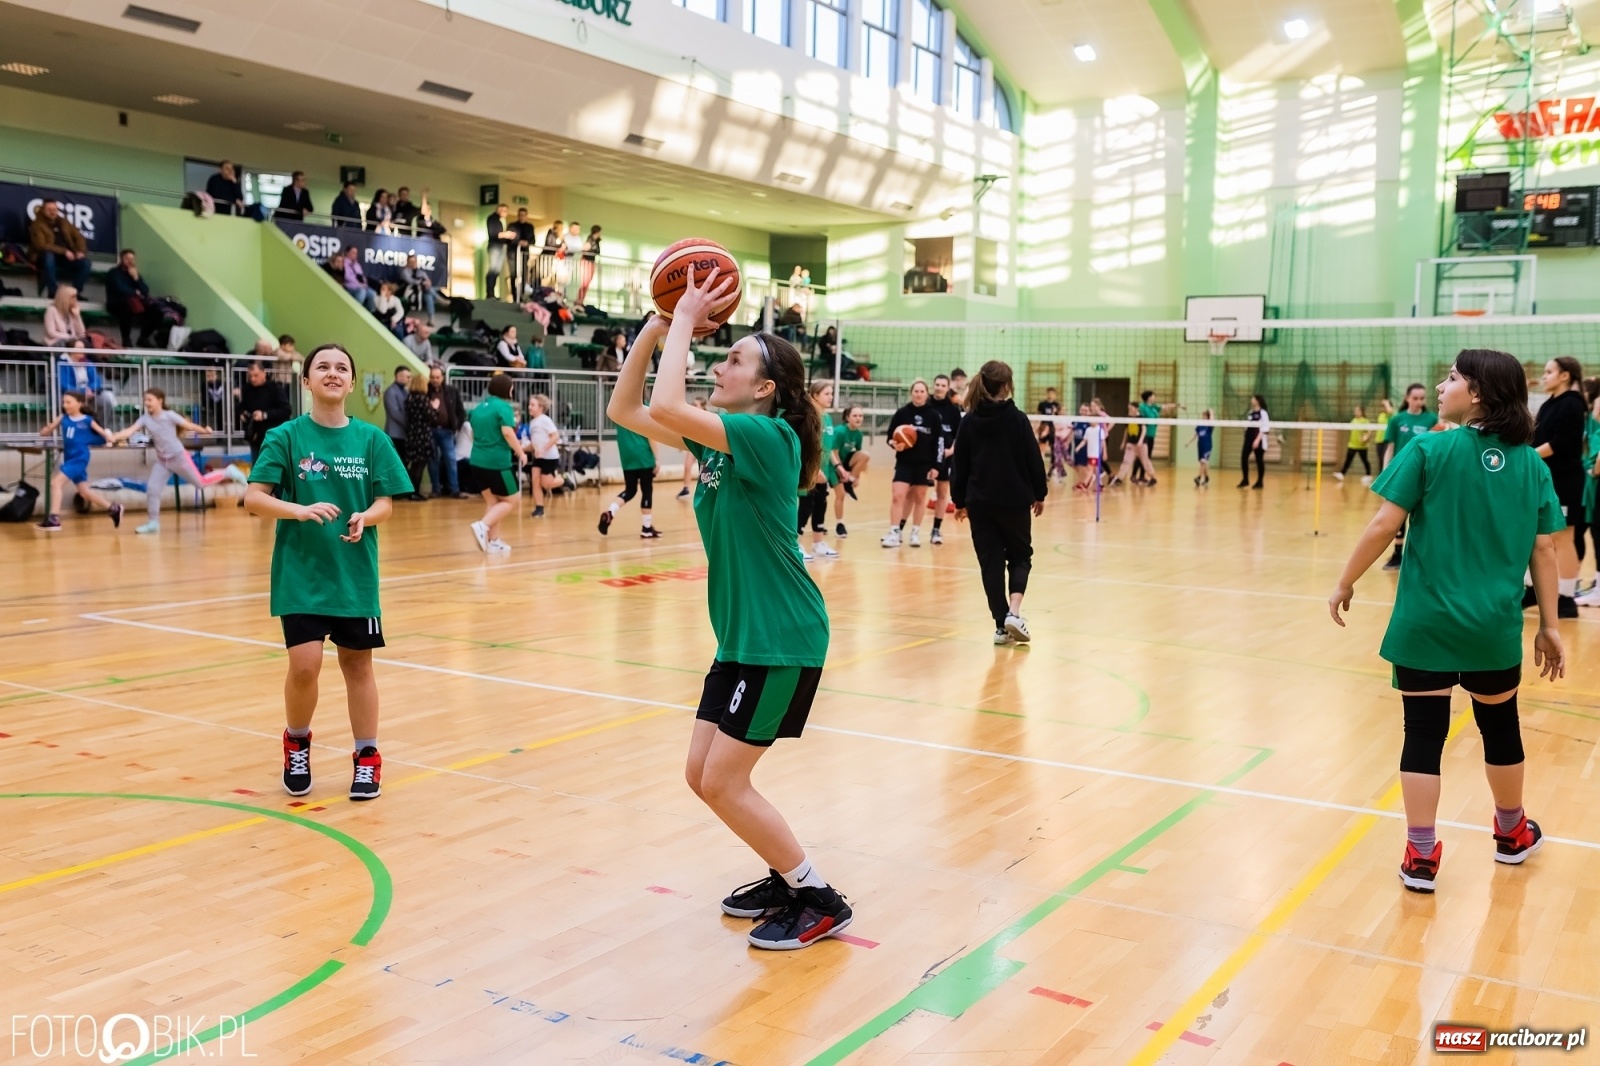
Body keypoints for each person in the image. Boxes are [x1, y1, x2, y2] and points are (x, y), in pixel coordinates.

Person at [606, 271, 851, 952]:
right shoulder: (721, 441)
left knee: (721, 778)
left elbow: (667, 399)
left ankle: (817, 895)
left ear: (765, 388)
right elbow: (628, 409)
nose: (722, 365)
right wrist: (657, 328)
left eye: (735, 359)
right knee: (701, 776)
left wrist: (684, 317)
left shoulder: (769, 441)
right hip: (741, 639)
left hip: (782, 638)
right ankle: (783, 872)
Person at [1329, 349, 1562, 894]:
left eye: (1452, 377)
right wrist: (1549, 625)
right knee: (1501, 730)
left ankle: (1422, 853)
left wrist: (1346, 581)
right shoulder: (1532, 464)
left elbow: (1385, 523)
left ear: (1477, 392)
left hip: (1426, 627)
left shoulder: (1428, 448)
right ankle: (1511, 833)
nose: (1440, 385)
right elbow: (1544, 549)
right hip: (1493, 631)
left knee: (1423, 736)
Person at [243, 343, 411, 801]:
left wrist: (365, 517)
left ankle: (367, 757)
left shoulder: (373, 439)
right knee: (305, 666)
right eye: (323, 367)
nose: (333, 373)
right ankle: (297, 740)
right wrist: (298, 510)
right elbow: (254, 498)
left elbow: (386, 503)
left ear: (353, 383)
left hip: (354, 575)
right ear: (307, 381)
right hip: (301, 573)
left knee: (358, 664)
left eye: (342, 367)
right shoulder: (286, 436)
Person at [952, 361, 1047, 645]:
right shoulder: (1017, 419)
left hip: (980, 503)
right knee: (1020, 556)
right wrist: (1040, 493)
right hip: (1014, 501)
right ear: (1007, 385)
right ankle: (1013, 614)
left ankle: (1001, 626)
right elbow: (1033, 458)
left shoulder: (969, 421)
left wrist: (959, 501)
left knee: (990, 564)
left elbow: (960, 464)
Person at [103, 388, 246, 534]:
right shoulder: (145, 418)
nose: (146, 403)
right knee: (152, 490)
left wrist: (205, 431)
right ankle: (153, 523)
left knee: (200, 483)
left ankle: (228, 471)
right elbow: (130, 430)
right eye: (145, 400)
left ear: (160, 401)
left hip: (179, 458)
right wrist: (115, 437)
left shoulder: (169, 415)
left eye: (150, 400)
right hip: (162, 462)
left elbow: (188, 426)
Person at [1525, 357, 1586, 618]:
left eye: (1549, 371)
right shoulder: (1551, 403)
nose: (1545, 375)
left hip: (1565, 481)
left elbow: (1560, 443)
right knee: (1537, 535)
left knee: (1564, 537)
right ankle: (1531, 590)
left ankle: (1566, 597)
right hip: (1546, 479)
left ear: (1565, 376)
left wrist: (1526, 457)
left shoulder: (1572, 403)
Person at [36, 391, 121, 531]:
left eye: (69, 402)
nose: (65, 405)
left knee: (55, 483)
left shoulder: (87, 420)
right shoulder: (63, 418)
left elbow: (103, 433)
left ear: (79, 403)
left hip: (80, 458)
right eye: (64, 402)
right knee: (84, 493)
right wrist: (45, 430)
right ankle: (113, 508)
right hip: (69, 457)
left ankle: (54, 519)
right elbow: (46, 430)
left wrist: (110, 437)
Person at [1380, 384, 1439, 570]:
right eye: (1415, 398)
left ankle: (1422, 558)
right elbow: (1389, 448)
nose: (1419, 402)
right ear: (1407, 398)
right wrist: (1385, 473)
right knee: (1397, 517)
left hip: (1425, 474)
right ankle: (1397, 555)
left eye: (1422, 398)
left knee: (1423, 517)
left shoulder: (1432, 419)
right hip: (1402, 474)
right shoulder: (1397, 420)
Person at [467, 373, 525, 554]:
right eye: (511, 386)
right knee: (512, 500)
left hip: (476, 461)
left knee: (493, 502)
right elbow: (508, 432)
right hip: (497, 463)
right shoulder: (504, 408)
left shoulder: (477, 409)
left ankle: (493, 541)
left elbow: (471, 433)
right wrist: (520, 452)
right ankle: (482, 525)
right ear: (506, 388)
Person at [882, 379, 938, 548]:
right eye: (916, 391)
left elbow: (938, 442)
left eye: (922, 391)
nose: (919, 394)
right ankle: (894, 532)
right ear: (911, 393)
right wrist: (895, 444)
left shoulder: (933, 415)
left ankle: (915, 532)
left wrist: (936, 466)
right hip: (904, 462)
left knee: (920, 498)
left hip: (924, 464)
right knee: (898, 496)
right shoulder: (902, 413)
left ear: (926, 394)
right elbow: (890, 438)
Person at [602, 412, 662, 539]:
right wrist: (657, 458)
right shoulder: (643, 408)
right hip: (643, 455)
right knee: (646, 490)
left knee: (630, 490)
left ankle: (611, 511)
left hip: (627, 457)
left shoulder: (620, 407)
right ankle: (646, 527)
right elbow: (651, 435)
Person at [798, 382, 838, 561]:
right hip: (808, 469)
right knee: (805, 505)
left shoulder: (827, 418)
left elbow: (827, 448)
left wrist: (838, 468)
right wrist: (813, 469)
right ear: (814, 395)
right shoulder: (808, 416)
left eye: (831, 393)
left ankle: (818, 542)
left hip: (824, 471)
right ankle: (795, 543)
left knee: (821, 503)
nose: (830, 397)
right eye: (827, 393)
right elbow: (805, 446)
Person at [926, 374, 962, 544]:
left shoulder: (954, 410)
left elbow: (958, 435)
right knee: (915, 492)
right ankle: (905, 528)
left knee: (942, 491)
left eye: (943, 385)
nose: (939, 387)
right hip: (925, 456)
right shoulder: (926, 405)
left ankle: (936, 529)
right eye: (937, 384)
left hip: (946, 455)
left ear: (948, 388)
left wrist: (951, 450)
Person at [425, 364, 470, 500]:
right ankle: (436, 489)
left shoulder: (451, 391)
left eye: (437, 377)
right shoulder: (425, 391)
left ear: (443, 377)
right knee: (432, 461)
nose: (435, 380)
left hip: (447, 431)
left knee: (451, 460)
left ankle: (454, 489)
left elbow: (460, 411)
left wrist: (457, 426)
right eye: (432, 377)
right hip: (429, 431)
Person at [30, 200, 91, 296]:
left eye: (54, 209)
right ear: (42, 210)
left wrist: (80, 251)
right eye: (49, 209)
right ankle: (53, 292)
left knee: (85, 263)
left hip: (65, 258)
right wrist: (64, 251)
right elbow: (41, 245)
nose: (52, 212)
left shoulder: (63, 221)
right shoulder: (37, 225)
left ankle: (74, 294)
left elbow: (79, 237)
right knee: (48, 255)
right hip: (44, 259)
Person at [237, 360, 292, 464]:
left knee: (273, 465)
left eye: (256, 375)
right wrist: (242, 412)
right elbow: (242, 405)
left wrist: (265, 415)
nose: (253, 379)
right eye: (250, 376)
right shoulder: (246, 389)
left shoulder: (275, 388)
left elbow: (286, 410)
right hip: (255, 435)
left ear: (264, 373)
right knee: (257, 466)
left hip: (274, 434)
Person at [519, 393, 563, 517]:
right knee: (535, 481)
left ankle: (564, 480)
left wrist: (543, 449)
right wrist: (523, 449)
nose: (529, 407)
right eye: (529, 404)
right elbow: (535, 442)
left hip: (549, 457)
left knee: (546, 484)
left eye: (533, 405)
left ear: (541, 407)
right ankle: (539, 508)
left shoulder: (545, 420)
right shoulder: (532, 423)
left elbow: (555, 436)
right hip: (538, 457)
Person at [398, 368, 435, 502]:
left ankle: (410, 492)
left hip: (411, 435)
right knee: (419, 466)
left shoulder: (409, 399)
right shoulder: (423, 399)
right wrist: (434, 407)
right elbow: (431, 417)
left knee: (413, 465)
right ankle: (415, 492)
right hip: (422, 436)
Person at [831, 404, 867, 536]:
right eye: (855, 416)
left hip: (846, 464)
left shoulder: (858, 434)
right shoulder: (840, 431)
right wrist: (840, 469)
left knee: (865, 455)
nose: (858, 418)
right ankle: (832, 523)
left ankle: (840, 524)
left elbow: (858, 455)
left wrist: (856, 477)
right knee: (837, 495)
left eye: (861, 416)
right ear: (847, 417)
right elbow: (833, 452)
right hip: (833, 463)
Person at [105, 249, 152, 347]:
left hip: (135, 303)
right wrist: (135, 292)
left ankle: (143, 338)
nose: (130, 261)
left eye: (132, 259)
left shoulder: (135, 274)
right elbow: (120, 288)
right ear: (121, 259)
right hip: (116, 303)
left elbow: (145, 291)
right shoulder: (114, 273)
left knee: (157, 311)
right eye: (127, 258)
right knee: (126, 308)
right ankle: (126, 339)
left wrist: (136, 278)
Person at [1107, 404, 1146, 488]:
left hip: (1140, 444)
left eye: (1131, 408)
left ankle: (1151, 477)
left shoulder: (1141, 418)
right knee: (1126, 461)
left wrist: (1140, 441)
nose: (1130, 410)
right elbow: (1126, 431)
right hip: (1130, 443)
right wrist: (1123, 442)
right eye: (1129, 408)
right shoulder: (1128, 418)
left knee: (1145, 462)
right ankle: (1119, 479)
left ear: (1136, 409)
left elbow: (1144, 429)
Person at [678, 396, 709, 500]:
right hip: (694, 445)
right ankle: (686, 489)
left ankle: (707, 490)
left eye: (696, 405)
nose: (693, 406)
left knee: (705, 470)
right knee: (687, 466)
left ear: (703, 407)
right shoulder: (691, 418)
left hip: (705, 447)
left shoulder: (709, 418)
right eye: (693, 404)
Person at [1238, 394, 1270, 490]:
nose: (1252, 400)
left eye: (1253, 398)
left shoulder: (1263, 413)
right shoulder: (1250, 412)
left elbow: (1265, 428)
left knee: (1259, 460)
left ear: (1258, 400)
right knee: (1243, 458)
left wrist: (1257, 440)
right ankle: (1245, 480)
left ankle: (1260, 482)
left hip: (1258, 439)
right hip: (1248, 438)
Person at [1336, 405, 1373, 482]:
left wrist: (1365, 438)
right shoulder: (1353, 420)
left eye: (1357, 410)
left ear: (1361, 412)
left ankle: (1368, 475)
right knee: (1348, 460)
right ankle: (1341, 474)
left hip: (1361, 446)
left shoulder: (1365, 421)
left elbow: (1369, 431)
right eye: (1355, 411)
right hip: (1352, 444)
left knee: (1365, 460)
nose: (1356, 412)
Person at [43, 285, 88, 349]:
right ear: (65, 298)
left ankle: (92, 359)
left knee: (85, 342)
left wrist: (77, 316)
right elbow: (51, 333)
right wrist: (69, 337)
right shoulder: (52, 310)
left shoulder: (72, 310)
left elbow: (82, 333)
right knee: (65, 344)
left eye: (76, 297)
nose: (76, 299)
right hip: (56, 342)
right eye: (73, 297)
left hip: (72, 341)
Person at [486, 204, 515, 300]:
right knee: (493, 269)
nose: (505, 213)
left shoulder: (500, 221)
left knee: (497, 271)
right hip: (495, 247)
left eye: (506, 211)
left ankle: (492, 294)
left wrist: (508, 237)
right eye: (504, 210)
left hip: (500, 246)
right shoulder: (492, 219)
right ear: (499, 210)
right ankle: (490, 293)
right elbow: (493, 234)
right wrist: (505, 234)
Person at [339, 246, 378, 312]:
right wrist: (359, 284)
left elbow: (362, 276)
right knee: (362, 291)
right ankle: (356, 312)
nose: (355, 254)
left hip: (361, 286)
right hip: (350, 286)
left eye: (356, 253)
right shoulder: (344, 263)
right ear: (347, 253)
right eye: (353, 252)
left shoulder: (357, 265)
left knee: (373, 293)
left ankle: (370, 314)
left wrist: (364, 281)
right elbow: (347, 277)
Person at [383, 366, 410, 458]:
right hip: (394, 433)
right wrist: (409, 424)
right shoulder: (391, 391)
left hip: (403, 434)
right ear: (400, 376)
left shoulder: (405, 391)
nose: (409, 379)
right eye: (407, 377)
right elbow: (395, 413)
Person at [400, 254, 436, 323]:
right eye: (411, 262)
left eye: (414, 262)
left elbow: (427, 280)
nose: (413, 264)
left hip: (422, 292)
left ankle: (431, 319)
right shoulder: (405, 271)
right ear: (408, 262)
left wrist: (427, 283)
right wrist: (422, 282)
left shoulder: (420, 271)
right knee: (429, 294)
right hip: (412, 293)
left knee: (428, 294)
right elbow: (411, 281)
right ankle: (438, 298)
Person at [512, 208, 536, 301]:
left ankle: (522, 295)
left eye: (524, 215)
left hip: (525, 254)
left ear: (526, 216)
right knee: (513, 275)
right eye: (520, 215)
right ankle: (515, 296)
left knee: (524, 274)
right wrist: (518, 242)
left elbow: (533, 240)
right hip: (513, 254)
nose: (522, 217)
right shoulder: (513, 226)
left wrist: (527, 242)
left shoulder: (530, 227)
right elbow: (510, 239)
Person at [1189, 409, 1214, 486]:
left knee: (1203, 461)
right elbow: (1195, 435)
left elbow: (1212, 420)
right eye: (1202, 415)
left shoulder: (1210, 425)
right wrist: (1189, 442)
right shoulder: (1200, 425)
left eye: (1205, 416)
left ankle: (1199, 478)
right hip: (1200, 445)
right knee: (1203, 462)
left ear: (1208, 417)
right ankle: (1206, 478)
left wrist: (1211, 412)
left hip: (1207, 445)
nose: (1203, 417)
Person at [578, 224, 601, 306]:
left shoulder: (597, 241)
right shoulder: (590, 239)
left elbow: (598, 252)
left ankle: (582, 300)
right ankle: (579, 300)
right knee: (584, 282)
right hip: (586, 261)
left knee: (588, 283)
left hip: (592, 262)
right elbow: (584, 249)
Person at [1037, 389, 1063, 455]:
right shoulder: (1042, 404)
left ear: (1055, 395)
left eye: (1052, 394)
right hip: (1044, 426)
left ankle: (1053, 462)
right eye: (1049, 393)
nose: (1050, 395)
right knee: (1042, 444)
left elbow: (1059, 416)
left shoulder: (1056, 405)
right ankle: (1041, 460)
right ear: (1047, 394)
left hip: (1052, 427)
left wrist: (1055, 412)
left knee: (1053, 445)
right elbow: (1038, 415)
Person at [539, 219, 563, 286]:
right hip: (546, 256)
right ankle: (540, 288)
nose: (561, 229)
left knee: (548, 273)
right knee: (543, 273)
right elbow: (549, 243)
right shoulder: (551, 233)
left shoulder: (559, 235)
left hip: (552, 257)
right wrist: (559, 245)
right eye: (560, 227)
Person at [1375, 397, 1395, 471]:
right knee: (1380, 460)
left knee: (1386, 460)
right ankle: (1381, 477)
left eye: (1385, 406)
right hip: (1379, 440)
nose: (1384, 408)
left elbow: (1390, 411)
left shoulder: (1391, 415)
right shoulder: (1381, 415)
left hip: (1386, 440)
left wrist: (1386, 403)